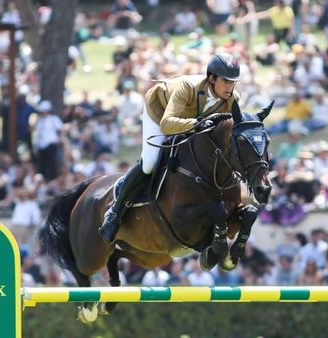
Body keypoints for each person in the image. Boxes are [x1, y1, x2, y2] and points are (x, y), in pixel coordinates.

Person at [98, 53, 241, 243]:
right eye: (226, 81)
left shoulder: (232, 98)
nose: (230, 88)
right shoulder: (187, 88)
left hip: (191, 120)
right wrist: (198, 124)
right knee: (149, 162)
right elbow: (167, 124)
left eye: (234, 82)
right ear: (212, 78)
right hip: (159, 113)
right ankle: (115, 212)